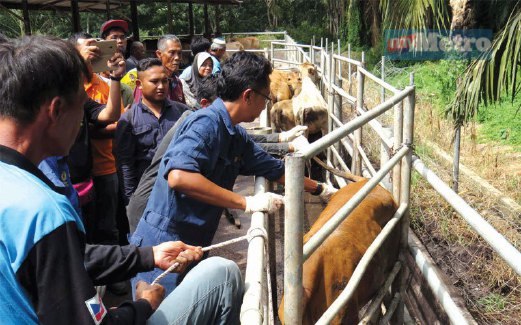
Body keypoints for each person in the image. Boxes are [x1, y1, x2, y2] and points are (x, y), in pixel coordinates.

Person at [0, 35, 243, 325]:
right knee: (223, 272)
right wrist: (143, 305)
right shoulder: (44, 211)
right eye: (81, 108)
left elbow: (66, 259)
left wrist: (148, 255)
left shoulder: (15, 187)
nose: (82, 124)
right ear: (56, 111)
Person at [130, 51, 337, 294]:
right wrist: (246, 202)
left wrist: (322, 189)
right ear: (248, 96)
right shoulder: (205, 123)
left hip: (193, 243)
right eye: (265, 97)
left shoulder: (235, 135)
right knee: (158, 311)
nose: (266, 104)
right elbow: (179, 177)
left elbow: (274, 168)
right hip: (164, 242)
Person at [115, 58, 190, 204]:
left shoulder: (183, 113)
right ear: (139, 84)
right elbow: (125, 164)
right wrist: (131, 201)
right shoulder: (129, 120)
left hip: (181, 192)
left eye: (165, 81)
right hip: (147, 194)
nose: (161, 86)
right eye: (154, 82)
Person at [134, 35, 185, 104]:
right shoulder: (147, 82)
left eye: (179, 53)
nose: (177, 57)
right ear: (159, 54)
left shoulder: (177, 82)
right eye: (172, 53)